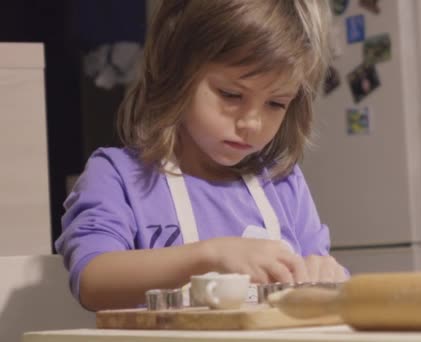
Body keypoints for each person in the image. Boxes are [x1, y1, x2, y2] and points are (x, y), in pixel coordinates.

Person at [55, 0, 348, 311]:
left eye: (276, 103)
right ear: (177, 71)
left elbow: (319, 275)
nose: (252, 123)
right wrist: (210, 256)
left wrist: (326, 277)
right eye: (231, 95)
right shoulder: (117, 176)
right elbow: (93, 282)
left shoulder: (283, 183)